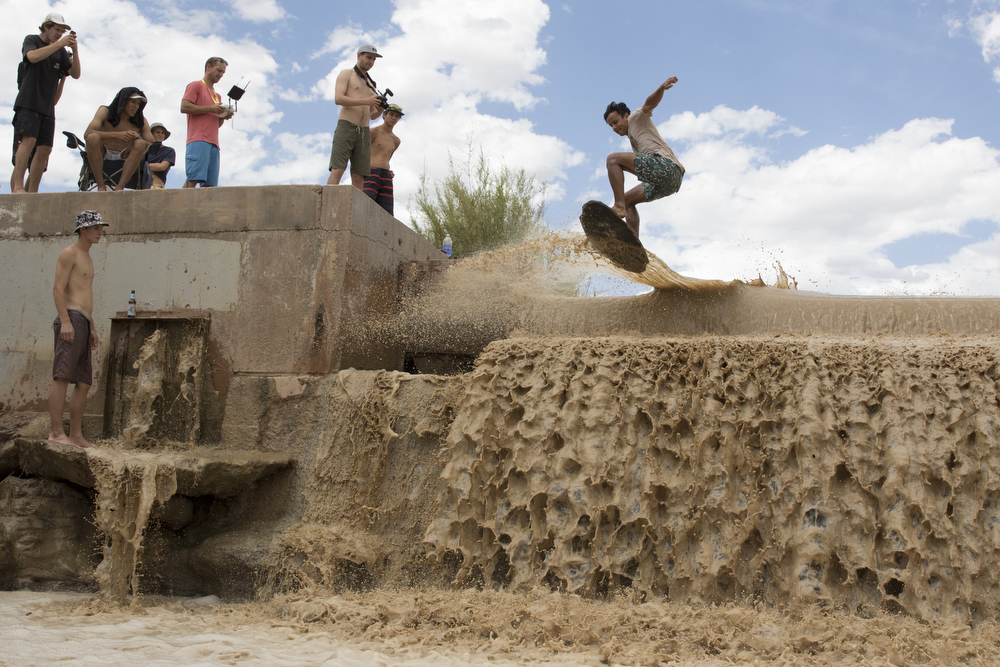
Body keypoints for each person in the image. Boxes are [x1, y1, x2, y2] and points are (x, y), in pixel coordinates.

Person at [48, 210, 108, 449]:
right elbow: (58, 288)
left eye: (101, 228)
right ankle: (56, 433)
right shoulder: (69, 253)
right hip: (70, 318)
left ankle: (75, 435)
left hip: (83, 320)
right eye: (96, 228)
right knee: (62, 376)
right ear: (83, 229)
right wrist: (65, 321)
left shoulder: (88, 257)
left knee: (83, 382)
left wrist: (92, 327)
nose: (100, 232)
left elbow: (86, 295)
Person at [604, 76, 685, 236]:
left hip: (667, 166)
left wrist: (661, 88)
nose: (615, 127)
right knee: (628, 200)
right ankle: (634, 243)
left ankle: (618, 207)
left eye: (616, 122)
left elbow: (650, 104)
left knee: (613, 159)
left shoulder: (635, 118)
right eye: (611, 125)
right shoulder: (633, 138)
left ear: (625, 115)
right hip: (670, 183)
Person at [11, 12, 81, 194]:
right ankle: (18, 187)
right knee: (28, 141)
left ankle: (32, 192)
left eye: (62, 31)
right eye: (57, 29)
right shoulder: (32, 39)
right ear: (46, 26)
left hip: (47, 107)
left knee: (45, 148)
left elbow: (75, 74)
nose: (59, 34)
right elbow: (32, 57)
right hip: (28, 101)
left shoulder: (60, 51)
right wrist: (60, 44)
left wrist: (75, 51)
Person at [327, 44, 386, 189]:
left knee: (359, 175)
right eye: (368, 57)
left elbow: (372, 115)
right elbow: (338, 99)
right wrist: (366, 101)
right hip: (347, 126)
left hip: (364, 131)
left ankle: (356, 205)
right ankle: (328, 202)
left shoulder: (371, 83)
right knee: (338, 169)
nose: (371, 62)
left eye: (373, 59)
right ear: (359, 55)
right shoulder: (347, 74)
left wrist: (380, 108)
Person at [83, 87, 153, 191]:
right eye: (133, 102)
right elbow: (87, 133)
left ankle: (120, 188)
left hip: (124, 156)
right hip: (102, 153)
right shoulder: (104, 111)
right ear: (123, 101)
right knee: (92, 137)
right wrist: (116, 135)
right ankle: (101, 186)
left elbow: (154, 147)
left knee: (140, 143)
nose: (136, 106)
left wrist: (138, 138)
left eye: (138, 103)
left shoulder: (141, 121)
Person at [181, 57, 234, 188]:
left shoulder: (217, 96)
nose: (221, 75)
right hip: (198, 140)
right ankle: (180, 202)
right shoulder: (195, 85)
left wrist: (223, 117)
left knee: (209, 187)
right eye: (219, 70)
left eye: (223, 72)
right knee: (193, 179)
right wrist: (210, 108)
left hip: (214, 143)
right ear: (208, 67)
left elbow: (216, 125)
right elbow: (184, 107)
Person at [362, 104, 403, 215]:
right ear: (384, 115)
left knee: (387, 212)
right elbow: (362, 152)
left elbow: (387, 157)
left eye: (397, 116)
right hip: (371, 171)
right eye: (391, 114)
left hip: (386, 175)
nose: (393, 118)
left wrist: (389, 171)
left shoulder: (396, 140)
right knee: (366, 205)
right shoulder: (373, 131)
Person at [147, 123, 176, 189]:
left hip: (156, 186)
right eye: (157, 132)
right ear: (151, 134)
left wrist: (144, 166)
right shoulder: (144, 151)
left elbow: (162, 167)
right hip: (141, 187)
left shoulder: (169, 150)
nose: (160, 134)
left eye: (162, 133)